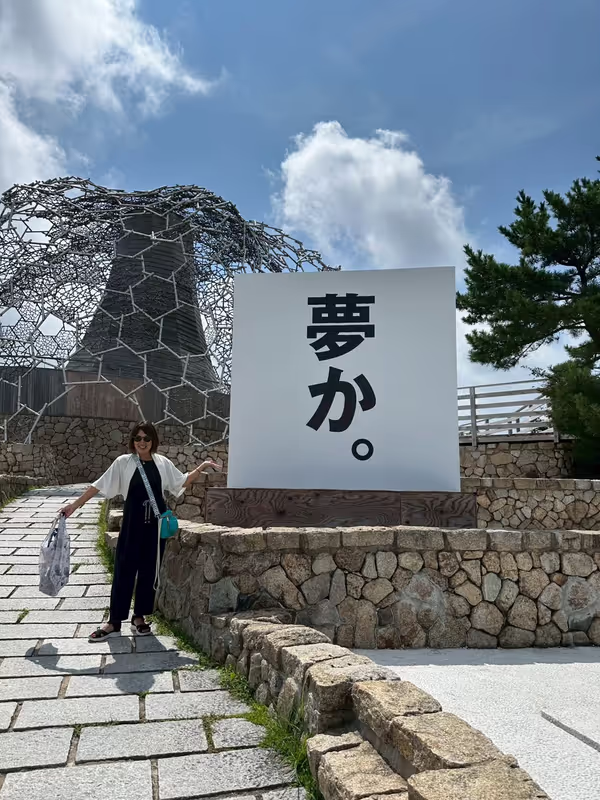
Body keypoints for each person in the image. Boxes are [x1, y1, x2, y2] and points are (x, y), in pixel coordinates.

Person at [60, 422, 221, 641]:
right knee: (124, 570)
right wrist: (74, 506)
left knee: (149, 571)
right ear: (132, 441)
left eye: (146, 438)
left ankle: (139, 617)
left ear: (153, 440)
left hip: (155, 527)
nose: (142, 442)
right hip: (132, 524)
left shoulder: (162, 463)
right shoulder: (124, 463)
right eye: (138, 438)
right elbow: (98, 485)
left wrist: (201, 468)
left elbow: (181, 481)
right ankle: (114, 622)